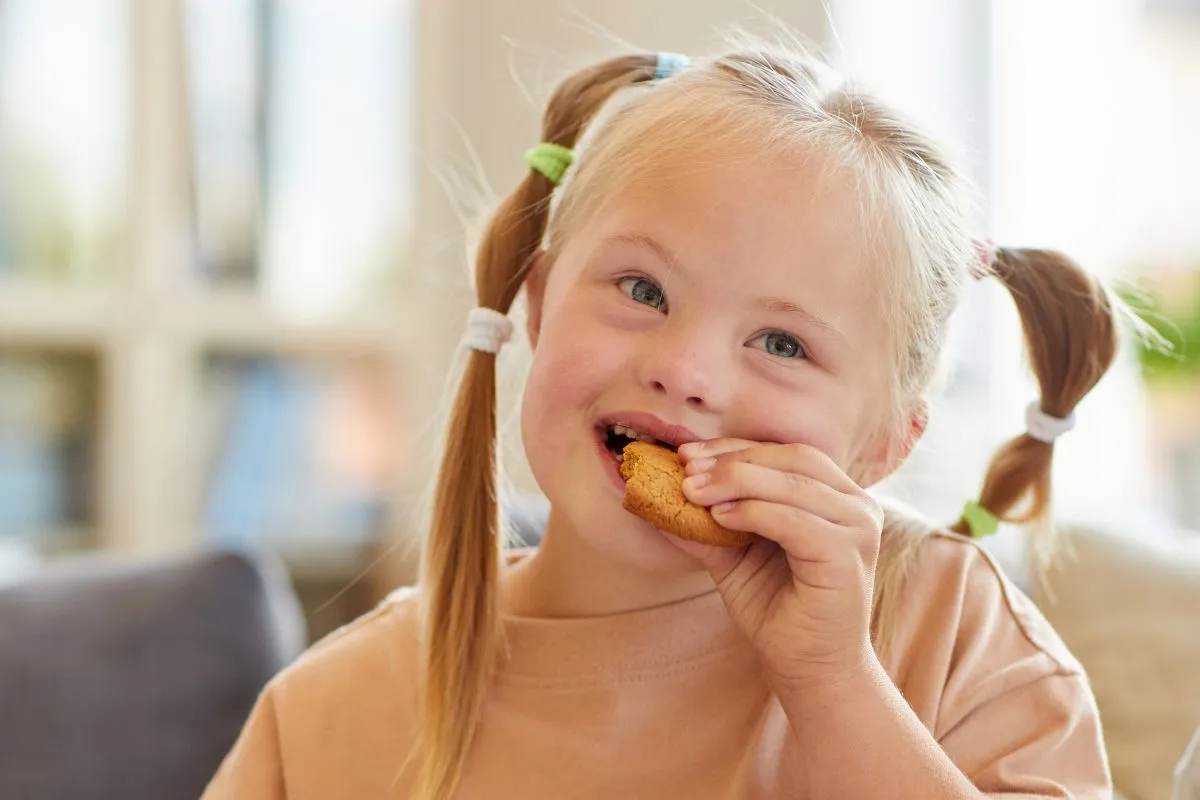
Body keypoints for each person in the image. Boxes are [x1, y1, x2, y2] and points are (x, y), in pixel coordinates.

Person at [203, 45, 1120, 799]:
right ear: (539, 302)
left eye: (782, 343)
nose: (684, 372)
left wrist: (834, 686)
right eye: (642, 290)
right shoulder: (331, 714)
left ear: (884, 444)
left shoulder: (952, 633)